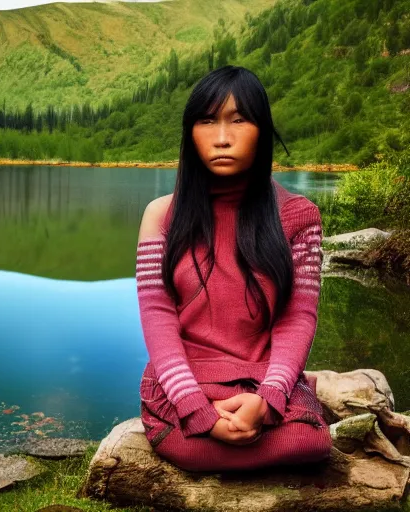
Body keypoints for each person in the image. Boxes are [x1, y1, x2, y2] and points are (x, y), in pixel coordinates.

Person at [134, 65, 333, 472]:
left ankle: (238, 433)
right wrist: (196, 409)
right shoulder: (161, 215)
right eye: (207, 121)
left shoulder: (299, 216)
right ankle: (208, 434)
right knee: (190, 445)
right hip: (186, 376)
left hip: (261, 378)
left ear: (262, 130)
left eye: (238, 120)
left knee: (309, 441)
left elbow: (297, 318)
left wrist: (269, 397)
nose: (222, 138)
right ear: (190, 134)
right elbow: (157, 316)